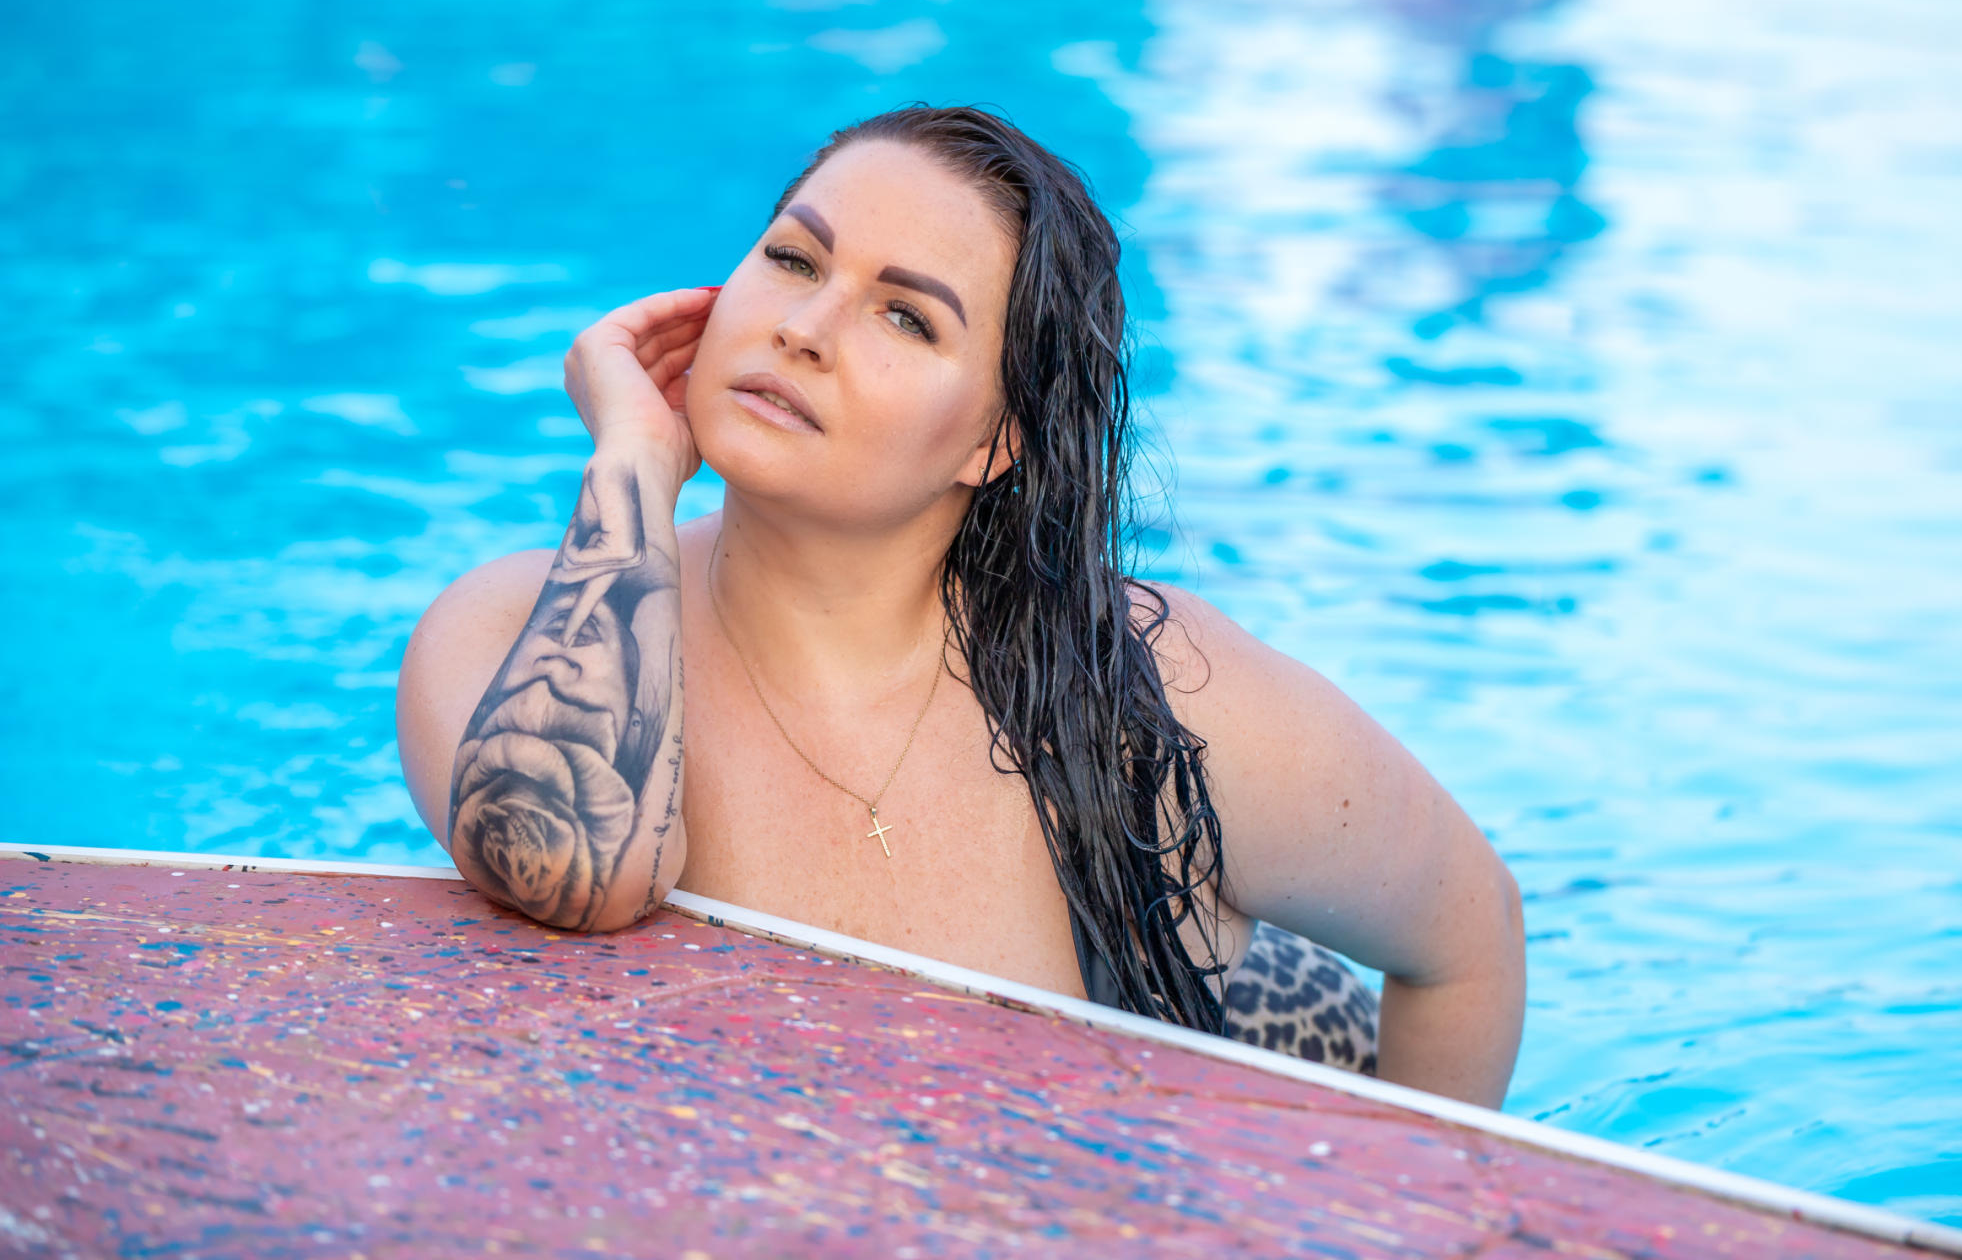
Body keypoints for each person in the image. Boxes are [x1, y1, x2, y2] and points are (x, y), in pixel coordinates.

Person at [396, 105, 1524, 1107]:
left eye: (908, 318)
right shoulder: (509, 634)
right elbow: (584, 878)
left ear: (993, 441)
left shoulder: (1166, 701)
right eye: (792, 259)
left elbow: (1471, 941)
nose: (805, 326)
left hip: (1218, 1071)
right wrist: (634, 462)